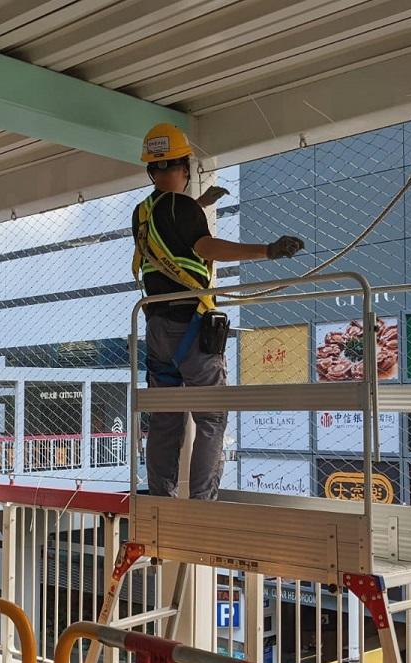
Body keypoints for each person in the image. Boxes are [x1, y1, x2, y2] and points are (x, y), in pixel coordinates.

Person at [133, 123, 304, 500]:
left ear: (151, 169)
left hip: (156, 326)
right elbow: (205, 247)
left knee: (165, 417)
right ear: (185, 167)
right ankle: (202, 501)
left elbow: (171, 227)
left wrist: (200, 206)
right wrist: (267, 251)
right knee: (211, 415)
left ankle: (161, 495)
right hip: (190, 327)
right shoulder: (182, 207)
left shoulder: (141, 213)